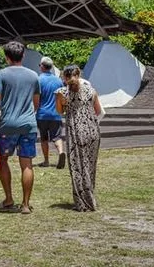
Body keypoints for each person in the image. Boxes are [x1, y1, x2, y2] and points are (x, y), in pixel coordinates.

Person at [0, 41, 40, 215]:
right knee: (27, 164)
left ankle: (8, 198)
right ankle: (25, 204)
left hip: (8, 126)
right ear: (23, 55)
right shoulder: (33, 76)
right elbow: (36, 102)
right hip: (28, 125)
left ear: (6, 57)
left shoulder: (1, 74)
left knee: (3, 160)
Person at [55, 66, 102, 212]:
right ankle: (90, 197)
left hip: (76, 131)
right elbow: (98, 110)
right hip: (93, 130)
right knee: (90, 166)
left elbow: (59, 111)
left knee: (77, 167)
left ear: (64, 77)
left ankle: (83, 202)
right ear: (79, 74)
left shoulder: (62, 93)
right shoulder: (91, 90)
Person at [35, 57, 66, 169]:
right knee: (57, 137)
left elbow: (36, 98)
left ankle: (46, 161)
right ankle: (61, 152)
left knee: (44, 138)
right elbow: (62, 96)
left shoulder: (38, 80)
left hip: (42, 114)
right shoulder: (58, 81)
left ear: (42, 66)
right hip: (56, 114)